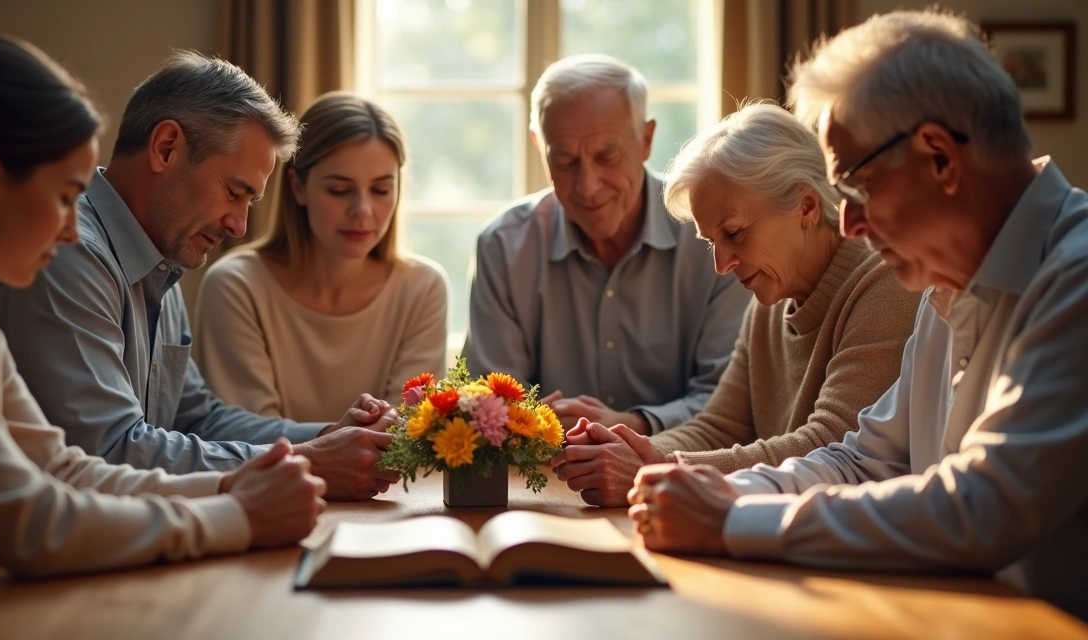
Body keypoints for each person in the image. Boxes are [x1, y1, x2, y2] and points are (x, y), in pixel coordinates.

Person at [628, 10, 1088, 620]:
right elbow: (862, 460)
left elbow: (984, 506)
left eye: (856, 187)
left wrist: (732, 519)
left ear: (939, 158)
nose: (848, 224)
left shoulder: (1075, 277)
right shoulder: (944, 287)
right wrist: (713, 492)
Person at [0, 35, 327, 631]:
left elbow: (61, 468)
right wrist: (237, 514)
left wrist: (230, 484)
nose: (70, 228)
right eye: (65, 197)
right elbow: (30, 522)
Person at [0, 52, 398, 500]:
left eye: (250, 201)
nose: (239, 224)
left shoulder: (162, 257)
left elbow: (197, 419)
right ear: (165, 147)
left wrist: (326, 434)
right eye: (234, 192)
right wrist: (308, 459)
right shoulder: (69, 254)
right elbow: (107, 451)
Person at [550, 103, 921, 506]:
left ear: (807, 207)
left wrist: (653, 470)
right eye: (712, 241)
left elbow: (830, 447)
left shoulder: (883, 281)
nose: (722, 264)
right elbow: (719, 426)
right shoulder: (769, 301)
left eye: (734, 233)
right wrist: (633, 450)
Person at [462, 54, 751, 436]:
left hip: (679, 474)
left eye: (607, 156)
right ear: (539, 145)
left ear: (645, 140)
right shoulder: (503, 247)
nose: (587, 185)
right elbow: (490, 408)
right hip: (545, 479)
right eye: (563, 160)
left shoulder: (715, 235)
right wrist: (529, 423)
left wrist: (634, 425)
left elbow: (733, 401)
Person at [196, 92, 448, 421]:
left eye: (381, 189)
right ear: (298, 188)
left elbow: (407, 435)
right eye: (339, 190)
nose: (363, 211)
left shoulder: (422, 287)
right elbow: (247, 437)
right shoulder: (236, 286)